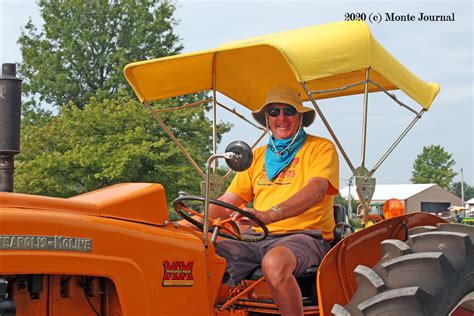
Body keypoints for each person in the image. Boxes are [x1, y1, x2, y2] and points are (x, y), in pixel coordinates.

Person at [210, 86, 339, 316]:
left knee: (274, 263)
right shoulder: (257, 156)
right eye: (274, 112)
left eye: (288, 111)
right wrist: (193, 220)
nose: (281, 118)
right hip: (256, 236)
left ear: (300, 116)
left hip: (304, 236)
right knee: (195, 255)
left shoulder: (320, 148)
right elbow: (229, 200)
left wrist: (270, 214)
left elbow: (316, 190)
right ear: (267, 120)